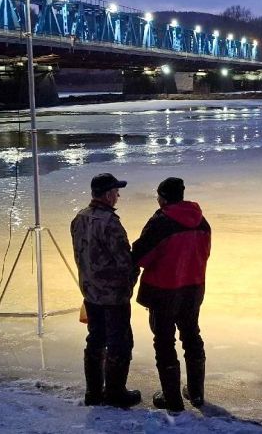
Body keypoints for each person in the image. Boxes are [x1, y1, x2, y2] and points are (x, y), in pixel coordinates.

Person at [132, 177, 212, 412]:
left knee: (164, 342)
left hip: (164, 292)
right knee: (192, 336)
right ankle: (196, 394)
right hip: (193, 289)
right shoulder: (201, 222)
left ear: (163, 198)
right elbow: (205, 253)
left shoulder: (161, 221)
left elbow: (140, 256)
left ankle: (173, 400)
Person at [71, 173, 142, 408]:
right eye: (116, 191)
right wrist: (132, 280)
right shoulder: (110, 223)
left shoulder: (79, 218)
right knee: (120, 343)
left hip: (90, 293)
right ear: (108, 194)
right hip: (113, 296)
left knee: (95, 340)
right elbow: (124, 262)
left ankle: (93, 392)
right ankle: (115, 393)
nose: (118, 195)